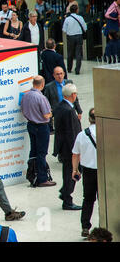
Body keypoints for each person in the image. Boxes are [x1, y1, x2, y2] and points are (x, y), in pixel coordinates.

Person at [20, 76, 55, 187]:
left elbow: (23, 111)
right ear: (42, 84)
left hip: (30, 125)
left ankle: (32, 174)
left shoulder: (25, 96)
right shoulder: (41, 98)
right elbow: (46, 115)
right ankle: (42, 178)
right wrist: (51, 114)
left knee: (33, 151)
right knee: (42, 153)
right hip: (41, 127)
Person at [53, 83, 82, 211]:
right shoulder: (69, 110)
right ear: (73, 95)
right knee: (72, 172)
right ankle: (67, 197)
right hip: (70, 149)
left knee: (68, 172)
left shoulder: (59, 106)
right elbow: (71, 132)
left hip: (63, 147)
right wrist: (76, 151)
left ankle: (65, 192)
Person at [71, 108, 97, 238]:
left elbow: (75, 154)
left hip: (88, 172)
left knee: (88, 199)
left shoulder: (82, 134)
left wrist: (75, 170)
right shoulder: (108, 132)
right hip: (105, 170)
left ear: (89, 119)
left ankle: (85, 226)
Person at [43, 66, 82, 131]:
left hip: (70, 112)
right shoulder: (49, 87)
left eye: (61, 73)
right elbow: (46, 102)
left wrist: (79, 112)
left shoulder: (69, 83)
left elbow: (75, 99)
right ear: (54, 75)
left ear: (64, 74)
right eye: (57, 74)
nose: (60, 76)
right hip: (58, 115)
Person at [62, 4, 87, 75]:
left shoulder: (67, 19)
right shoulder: (80, 18)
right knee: (78, 53)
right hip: (79, 36)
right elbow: (85, 28)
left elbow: (64, 29)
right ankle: (77, 70)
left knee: (70, 53)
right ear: (77, 10)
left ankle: (69, 68)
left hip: (70, 37)